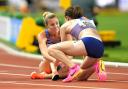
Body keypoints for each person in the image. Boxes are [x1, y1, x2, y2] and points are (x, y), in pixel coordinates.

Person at [46, 6, 107, 82]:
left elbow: (63, 50)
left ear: (67, 18)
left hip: (88, 42)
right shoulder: (88, 20)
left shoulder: (65, 25)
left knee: (51, 49)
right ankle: (98, 64)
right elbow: (84, 47)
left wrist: (56, 63)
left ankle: (73, 67)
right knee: (79, 76)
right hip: (100, 47)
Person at [31, 12, 71, 80]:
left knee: (71, 71)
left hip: (62, 64)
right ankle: (53, 72)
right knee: (51, 51)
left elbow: (70, 51)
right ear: (47, 26)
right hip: (47, 64)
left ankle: (43, 76)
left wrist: (65, 61)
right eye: (52, 25)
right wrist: (56, 61)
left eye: (57, 23)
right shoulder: (42, 35)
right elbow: (44, 53)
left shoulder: (65, 32)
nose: (56, 26)